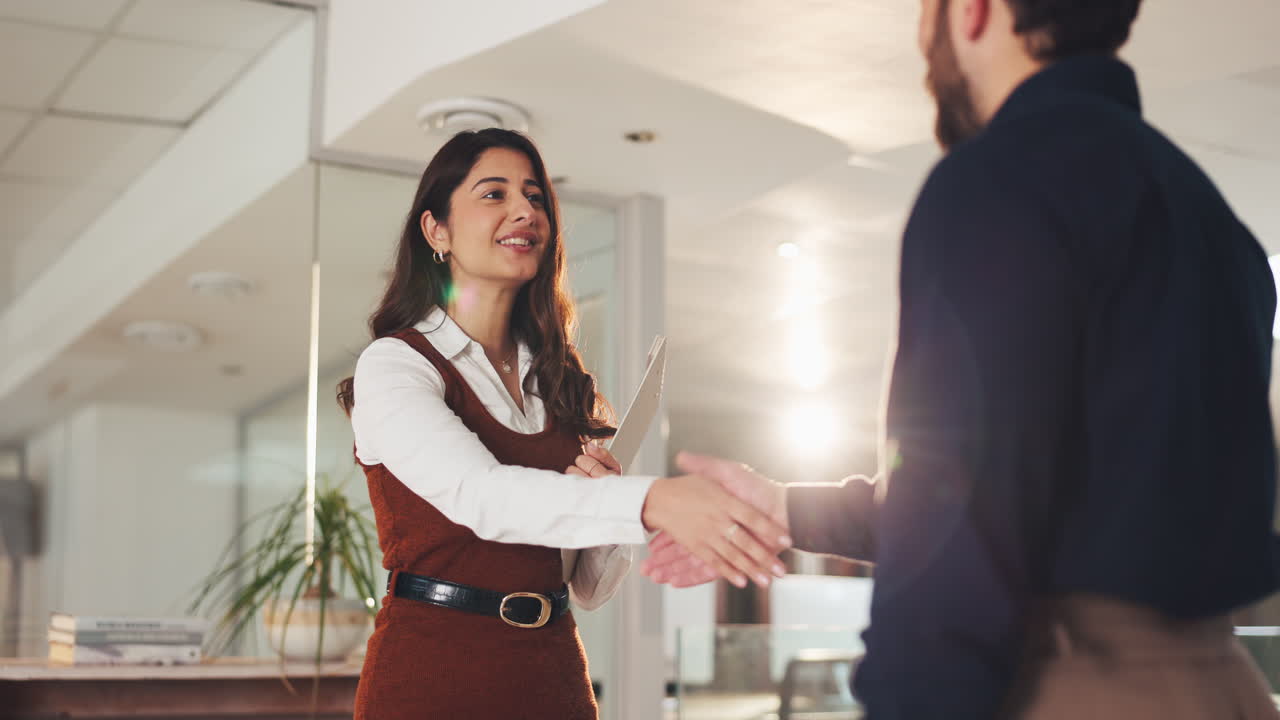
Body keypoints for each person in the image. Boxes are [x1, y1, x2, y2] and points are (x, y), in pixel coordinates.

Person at [645, 0, 1280, 717]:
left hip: (1073, 686)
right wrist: (788, 507)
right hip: (1226, 689)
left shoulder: (995, 183)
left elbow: (959, 547)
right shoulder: (1212, 219)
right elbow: (1044, 502)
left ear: (972, 11)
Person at [336, 128, 788, 719]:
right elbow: (484, 497)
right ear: (436, 230)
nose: (526, 210)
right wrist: (653, 501)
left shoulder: (560, 380)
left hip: (553, 674)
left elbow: (590, 589)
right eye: (493, 194)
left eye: (535, 196)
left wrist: (603, 500)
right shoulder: (395, 364)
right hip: (432, 676)